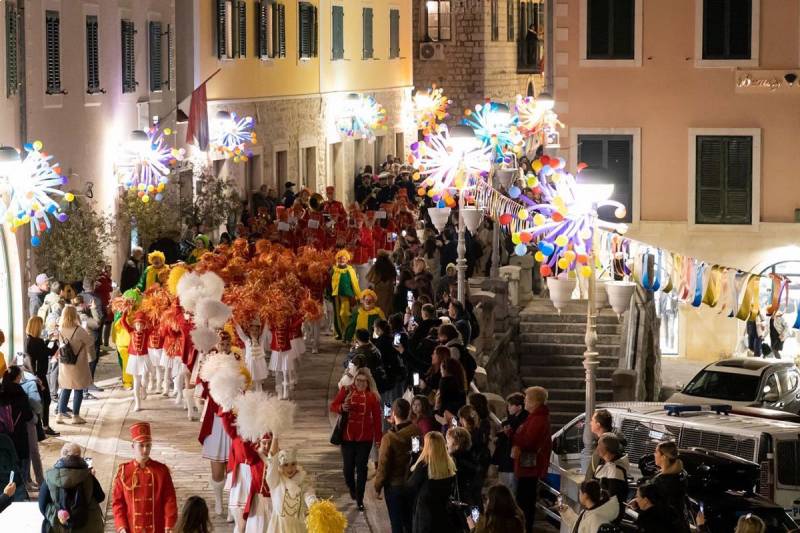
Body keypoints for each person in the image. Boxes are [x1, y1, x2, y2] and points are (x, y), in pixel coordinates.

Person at [329, 367, 383, 511]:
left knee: (361, 469)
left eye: (364, 381)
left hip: (365, 438)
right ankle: (352, 489)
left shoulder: (372, 397)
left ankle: (360, 499)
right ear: (354, 380)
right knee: (348, 469)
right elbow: (333, 406)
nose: (361, 383)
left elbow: (377, 420)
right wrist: (342, 407)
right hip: (347, 437)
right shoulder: (346, 390)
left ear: (368, 383)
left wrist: (379, 440)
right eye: (358, 380)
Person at [112, 422, 178, 533]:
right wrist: (121, 526)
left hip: (157, 529)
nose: (145, 450)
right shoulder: (123, 472)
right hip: (131, 529)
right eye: (141, 445)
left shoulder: (162, 471)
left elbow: (169, 499)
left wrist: (169, 524)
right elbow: (118, 503)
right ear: (133, 446)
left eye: (148, 445)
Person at [375, 398, 421, 533]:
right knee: (409, 522)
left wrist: (378, 486)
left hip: (394, 486)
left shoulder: (388, 439)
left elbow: (383, 466)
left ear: (393, 413)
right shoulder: (415, 431)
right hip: (411, 482)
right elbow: (416, 454)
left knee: (396, 524)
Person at [38, 442, 105, 532]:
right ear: (79, 456)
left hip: (59, 527)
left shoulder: (50, 477)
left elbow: (42, 506)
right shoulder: (88, 476)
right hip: (89, 527)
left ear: (61, 457)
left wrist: (56, 516)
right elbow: (100, 497)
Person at [511, 386, 552, 533]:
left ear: (535, 401)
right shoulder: (535, 417)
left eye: (527, 399)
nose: (524, 402)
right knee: (525, 501)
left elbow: (528, 441)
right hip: (528, 467)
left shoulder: (538, 419)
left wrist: (513, 436)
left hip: (529, 468)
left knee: (524, 502)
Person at [406, 431, 462, 533]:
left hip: (425, 515)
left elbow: (410, 484)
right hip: (443, 513)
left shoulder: (424, 465)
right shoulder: (450, 464)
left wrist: (414, 459)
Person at [262, 437, 318, 532]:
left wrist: (314, 505)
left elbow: (308, 494)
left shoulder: (302, 479)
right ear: (280, 466)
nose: (290, 468)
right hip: (279, 526)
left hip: (298, 525)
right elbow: (272, 461)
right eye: (286, 465)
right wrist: (275, 437)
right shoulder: (275, 480)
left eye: (293, 464)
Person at [55, 305, 95, 425]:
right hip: (78, 364)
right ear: (74, 315)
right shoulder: (79, 330)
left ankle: (59, 415)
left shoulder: (60, 329)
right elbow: (90, 342)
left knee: (65, 388)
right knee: (78, 389)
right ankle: (75, 416)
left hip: (64, 364)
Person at [24, 316, 59, 436]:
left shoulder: (29, 340)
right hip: (40, 376)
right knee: (45, 400)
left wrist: (48, 341)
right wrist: (55, 341)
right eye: (41, 325)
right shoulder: (37, 342)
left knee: (39, 401)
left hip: (32, 374)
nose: (42, 327)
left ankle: (41, 427)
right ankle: (44, 427)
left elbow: (42, 350)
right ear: (37, 327)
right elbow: (49, 352)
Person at [0, 366, 33, 474]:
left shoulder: (2, 389)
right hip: (18, 433)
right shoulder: (19, 392)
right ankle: (22, 481)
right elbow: (28, 416)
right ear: (18, 377)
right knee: (20, 462)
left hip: (3, 434)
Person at [493, 392, 527, 492]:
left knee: (510, 487)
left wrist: (506, 433)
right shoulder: (510, 420)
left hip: (512, 459)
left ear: (519, 407)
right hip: (506, 458)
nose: (508, 408)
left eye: (511, 405)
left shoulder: (522, 421)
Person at [592, 432, 629, 520]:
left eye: (599, 445)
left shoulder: (615, 470)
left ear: (606, 448)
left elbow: (612, 500)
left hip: (606, 517)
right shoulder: (604, 463)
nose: (597, 448)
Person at [651, 441, 688, 518]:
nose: (654, 454)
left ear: (664, 457)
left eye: (656, 452)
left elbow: (656, 505)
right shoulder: (679, 475)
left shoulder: (663, 481)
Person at [446, 427, 480, 508]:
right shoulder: (472, 458)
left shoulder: (454, 461)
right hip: (472, 502)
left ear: (456, 445)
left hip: (459, 504)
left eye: (448, 442)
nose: (446, 445)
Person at [584, 409, 620, 481]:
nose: (590, 423)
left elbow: (593, 474)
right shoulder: (610, 443)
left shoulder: (605, 448)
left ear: (598, 425)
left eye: (592, 420)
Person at [367, 251, 397, 318]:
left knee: (378, 308)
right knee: (386, 308)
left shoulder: (376, 267)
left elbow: (370, 279)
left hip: (378, 291)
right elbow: (394, 279)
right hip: (389, 291)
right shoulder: (391, 267)